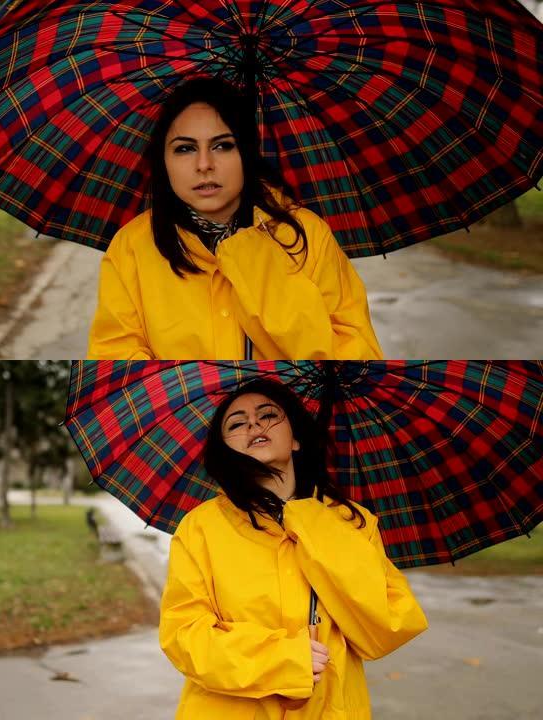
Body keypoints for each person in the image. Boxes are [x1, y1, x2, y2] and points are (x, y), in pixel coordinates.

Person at [159, 378, 427, 718]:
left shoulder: (353, 522)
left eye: (268, 415)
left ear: (296, 438)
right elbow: (184, 636)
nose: (253, 424)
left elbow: (386, 626)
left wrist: (314, 525)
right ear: (225, 449)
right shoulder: (200, 528)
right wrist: (284, 660)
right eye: (237, 423)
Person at [87, 77, 382, 360]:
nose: (204, 165)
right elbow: (116, 354)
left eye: (223, 145)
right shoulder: (131, 248)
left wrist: (255, 265)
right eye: (185, 148)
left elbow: (355, 351)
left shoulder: (308, 235)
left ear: (246, 152)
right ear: (163, 161)